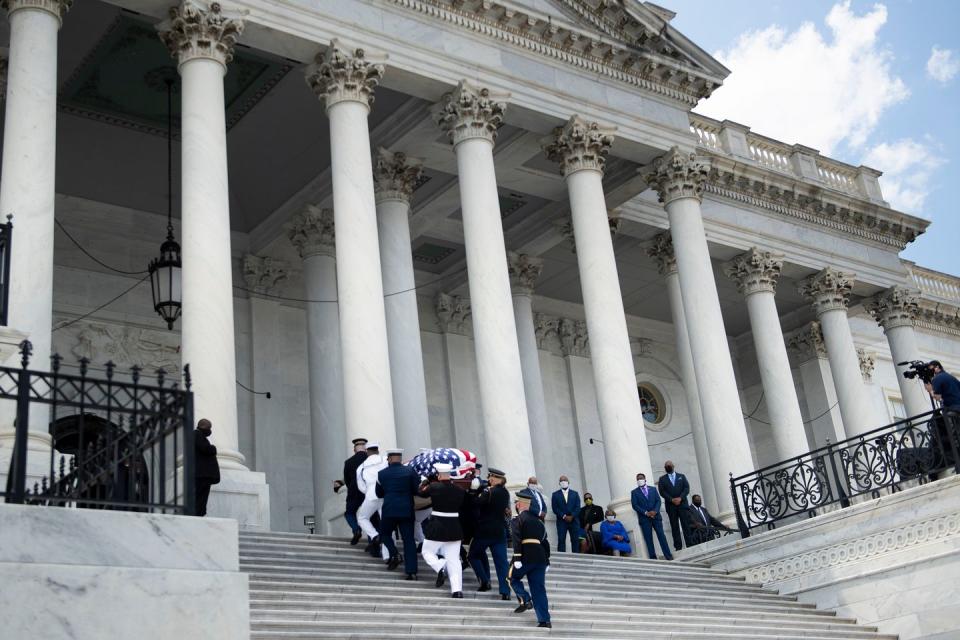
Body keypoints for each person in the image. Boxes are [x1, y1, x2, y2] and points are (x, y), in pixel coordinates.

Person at [419, 462, 466, 598]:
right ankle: (457, 590)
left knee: (427, 551)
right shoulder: (459, 489)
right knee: (454, 560)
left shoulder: (434, 487)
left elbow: (421, 493)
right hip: (454, 527)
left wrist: (425, 482)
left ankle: (440, 566)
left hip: (438, 525)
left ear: (439, 475)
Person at [467, 467, 512, 601]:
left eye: (491, 477)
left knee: (472, 555)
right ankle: (505, 591)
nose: (489, 479)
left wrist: (473, 491)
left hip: (484, 531)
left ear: (496, 479)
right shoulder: (505, 493)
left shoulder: (489, 491)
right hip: (499, 532)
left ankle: (485, 580)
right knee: (501, 563)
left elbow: (475, 503)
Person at [509, 488, 551, 629]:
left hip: (525, 556)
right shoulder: (540, 522)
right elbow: (545, 542)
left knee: (510, 578)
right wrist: (547, 561)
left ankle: (525, 599)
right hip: (540, 558)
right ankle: (544, 620)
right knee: (539, 589)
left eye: (516, 503)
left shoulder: (517, 519)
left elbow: (517, 539)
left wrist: (517, 558)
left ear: (519, 504)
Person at [375, 449, 420, 579]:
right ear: (400, 459)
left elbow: (379, 494)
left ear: (389, 459)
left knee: (384, 534)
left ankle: (395, 553)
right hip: (406, 509)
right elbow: (416, 490)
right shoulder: (410, 471)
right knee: (409, 540)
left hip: (389, 509)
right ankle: (411, 572)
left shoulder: (381, 474)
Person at [356, 442, 388, 558]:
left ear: (367, 452)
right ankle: (387, 555)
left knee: (362, 518)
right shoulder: (385, 460)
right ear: (378, 450)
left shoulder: (361, 467)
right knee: (387, 525)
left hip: (370, 495)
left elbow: (361, 487)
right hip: (385, 495)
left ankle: (374, 535)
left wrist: (369, 491)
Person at [631, 472, 672, 560]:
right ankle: (653, 557)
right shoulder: (634, 492)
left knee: (661, 536)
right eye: (638, 479)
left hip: (656, 517)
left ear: (645, 479)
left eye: (641, 478)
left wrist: (655, 511)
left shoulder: (653, 489)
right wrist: (646, 513)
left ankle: (668, 555)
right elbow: (635, 505)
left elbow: (658, 501)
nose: (639, 480)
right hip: (644, 518)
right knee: (648, 539)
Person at [656, 460, 692, 551]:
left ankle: (690, 544)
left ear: (673, 466)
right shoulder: (662, 479)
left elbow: (686, 488)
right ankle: (678, 547)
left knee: (686, 525)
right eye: (666, 466)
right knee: (674, 526)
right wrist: (672, 499)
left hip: (682, 504)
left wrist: (680, 498)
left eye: (669, 465)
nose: (668, 467)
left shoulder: (681, 476)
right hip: (671, 506)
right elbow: (662, 491)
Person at [338, 437, 368, 545]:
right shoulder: (370, 459)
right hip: (368, 491)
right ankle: (373, 543)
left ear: (354, 449)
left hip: (354, 491)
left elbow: (347, 480)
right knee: (370, 517)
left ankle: (356, 529)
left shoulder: (348, 462)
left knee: (349, 513)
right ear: (365, 449)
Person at [194, 419, 220, 517]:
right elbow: (205, 449)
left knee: (202, 497)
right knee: (200, 496)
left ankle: (200, 513)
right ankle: (197, 514)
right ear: (203, 427)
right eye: (209, 428)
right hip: (202, 474)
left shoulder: (199, 435)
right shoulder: (197, 434)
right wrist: (213, 448)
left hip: (203, 475)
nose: (210, 431)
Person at [550, 475, 581, 552]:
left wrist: (572, 516)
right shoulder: (555, 494)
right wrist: (564, 516)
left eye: (565, 480)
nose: (563, 482)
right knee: (561, 540)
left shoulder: (575, 494)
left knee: (575, 540)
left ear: (568, 482)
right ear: (559, 483)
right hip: (561, 521)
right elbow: (555, 508)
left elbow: (578, 507)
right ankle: (561, 557)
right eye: (561, 481)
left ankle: (576, 557)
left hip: (574, 521)